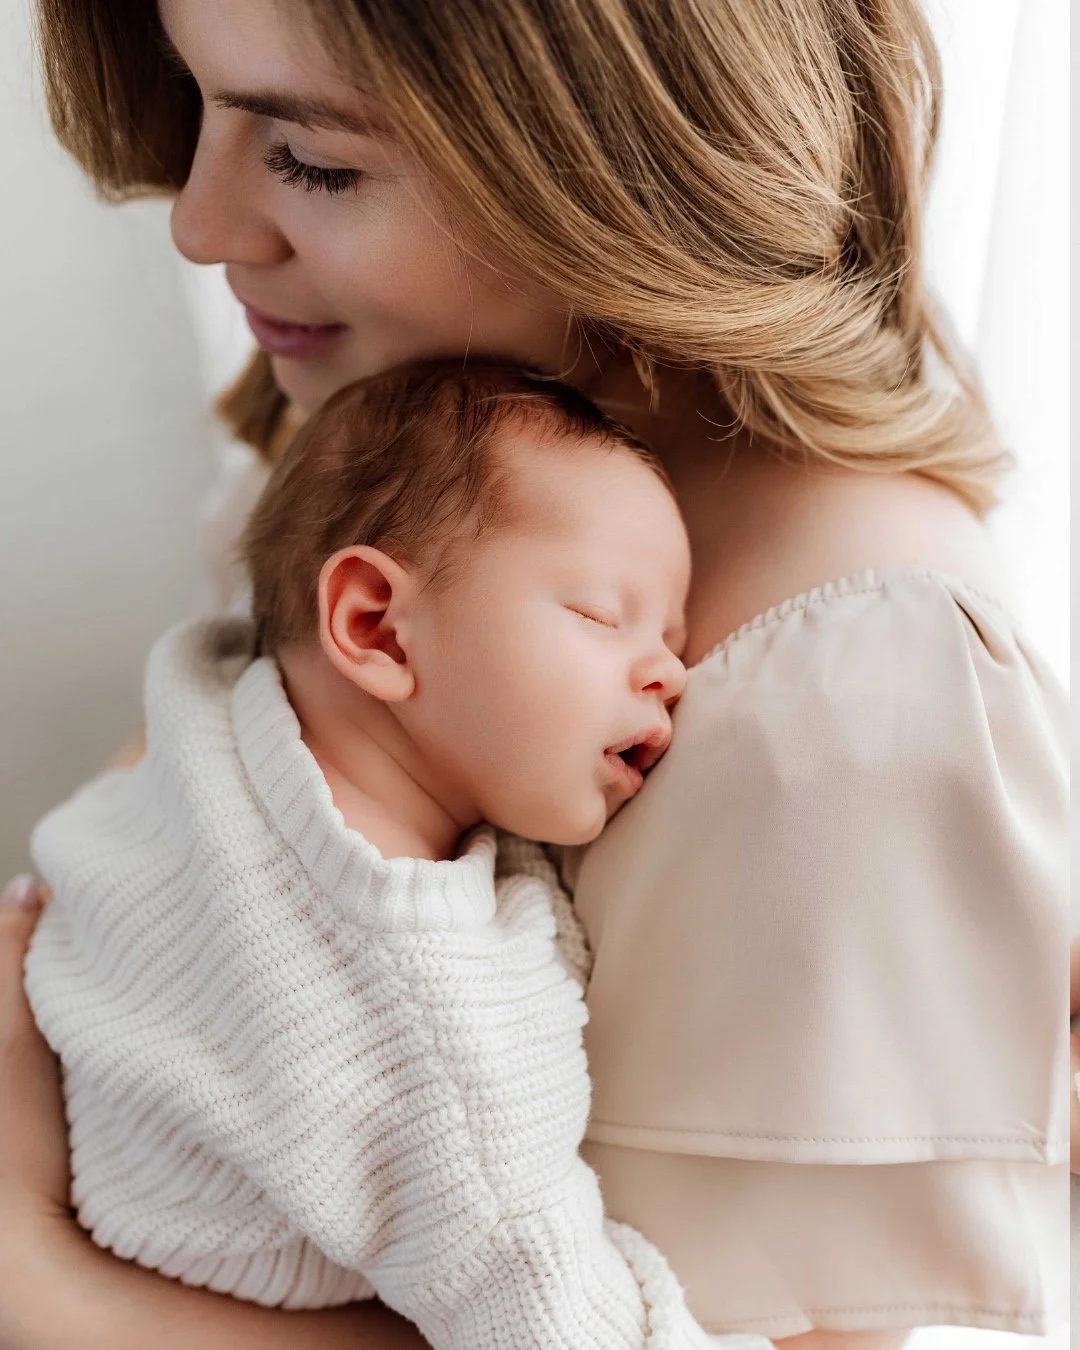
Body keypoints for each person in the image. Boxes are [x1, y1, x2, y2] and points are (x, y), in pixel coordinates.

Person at [0, 0, 1067, 1346]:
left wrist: (36, 1282)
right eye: (197, 101)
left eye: (314, 162)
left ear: (613, 153)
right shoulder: (431, 423)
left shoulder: (845, 683)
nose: (201, 227)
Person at [23, 358, 742, 1348]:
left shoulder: (213, 710)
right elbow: (556, 1321)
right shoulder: (430, 1035)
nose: (669, 672)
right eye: (600, 616)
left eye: (672, 635)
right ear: (376, 629)